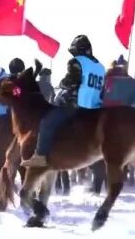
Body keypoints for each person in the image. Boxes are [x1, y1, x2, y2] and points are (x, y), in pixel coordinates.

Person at [22, 35, 105, 167]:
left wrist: (62, 83)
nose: (74, 54)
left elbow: (71, 83)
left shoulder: (76, 62)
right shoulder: (101, 67)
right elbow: (102, 91)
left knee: (46, 123)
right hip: (96, 109)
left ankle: (40, 156)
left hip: (77, 107)